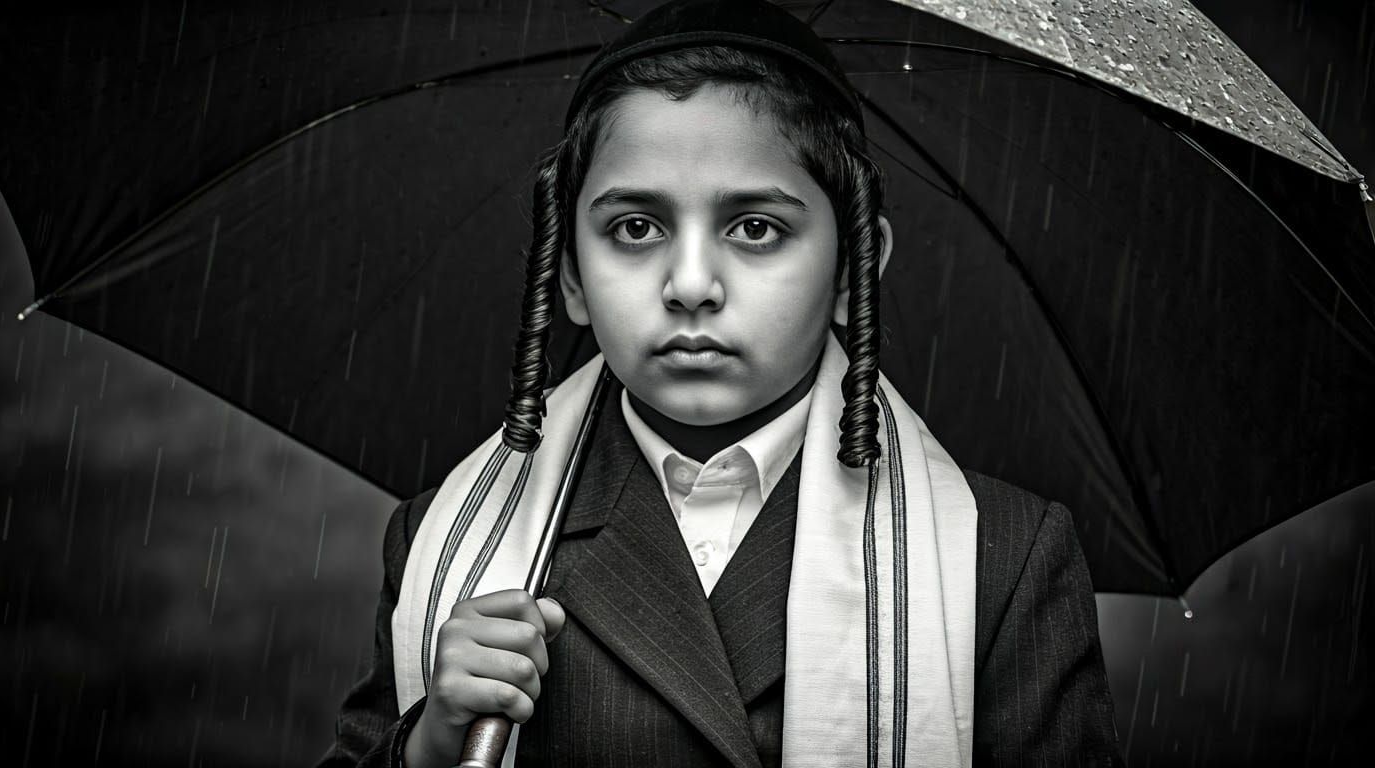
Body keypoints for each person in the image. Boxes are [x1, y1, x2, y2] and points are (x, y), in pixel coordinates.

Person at [319, 1, 1123, 766]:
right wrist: (429, 745)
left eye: (755, 228)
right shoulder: (447, 544)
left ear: (852, 269)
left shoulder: (1000, 560)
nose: (692, 284)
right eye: (636, 227)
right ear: (570, 275)